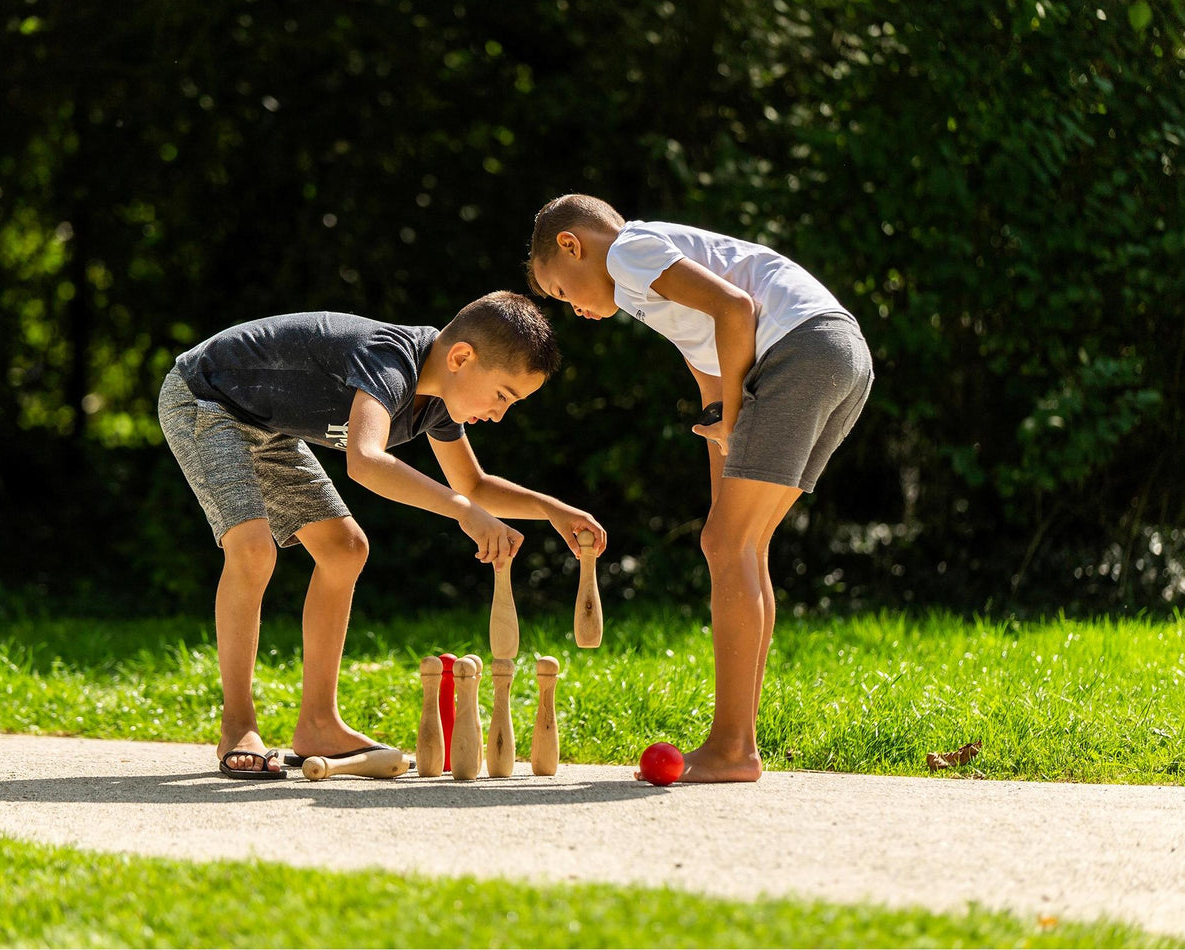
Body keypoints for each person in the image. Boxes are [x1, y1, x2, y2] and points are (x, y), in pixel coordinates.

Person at [159, 291, 607, 779]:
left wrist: (552, 510)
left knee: (345, 549)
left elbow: (473, 484)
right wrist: (463, 512)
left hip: (265, 425)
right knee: (252, 549)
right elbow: (365, 460)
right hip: (205, 398)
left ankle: (318, 724)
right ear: (461, 357)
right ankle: (238, 726)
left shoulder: (437, 401)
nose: (500, 414)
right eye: (503, 395)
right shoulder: (391, 359)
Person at [527, 195, 873, 783]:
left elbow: (735, 309)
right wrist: (721, 418)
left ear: (571, 244)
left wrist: (734, 414)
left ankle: (733, 748)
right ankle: (738, 743)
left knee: (726, 545)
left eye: (561, 292)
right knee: (740, 546)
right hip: (836, 353)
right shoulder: (647, 281)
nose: (573, 309)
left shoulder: (629, 252)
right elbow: (712, 355)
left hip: (798, 352)